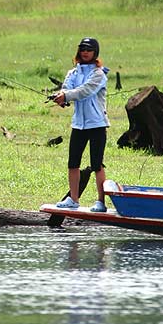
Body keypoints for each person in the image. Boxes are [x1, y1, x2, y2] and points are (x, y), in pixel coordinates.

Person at [54, 37, 109, 212]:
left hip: (97, 125)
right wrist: (61, 97)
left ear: (95, 52)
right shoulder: (73, 73)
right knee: (73, 163)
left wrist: (67, 96)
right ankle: (73, 199)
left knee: (97, 164)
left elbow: (85, 91)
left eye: (89, 49)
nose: (85, 52)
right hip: (79, 125)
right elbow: (67, 87)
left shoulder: (99, 74)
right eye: (82, 49)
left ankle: (101, 202)